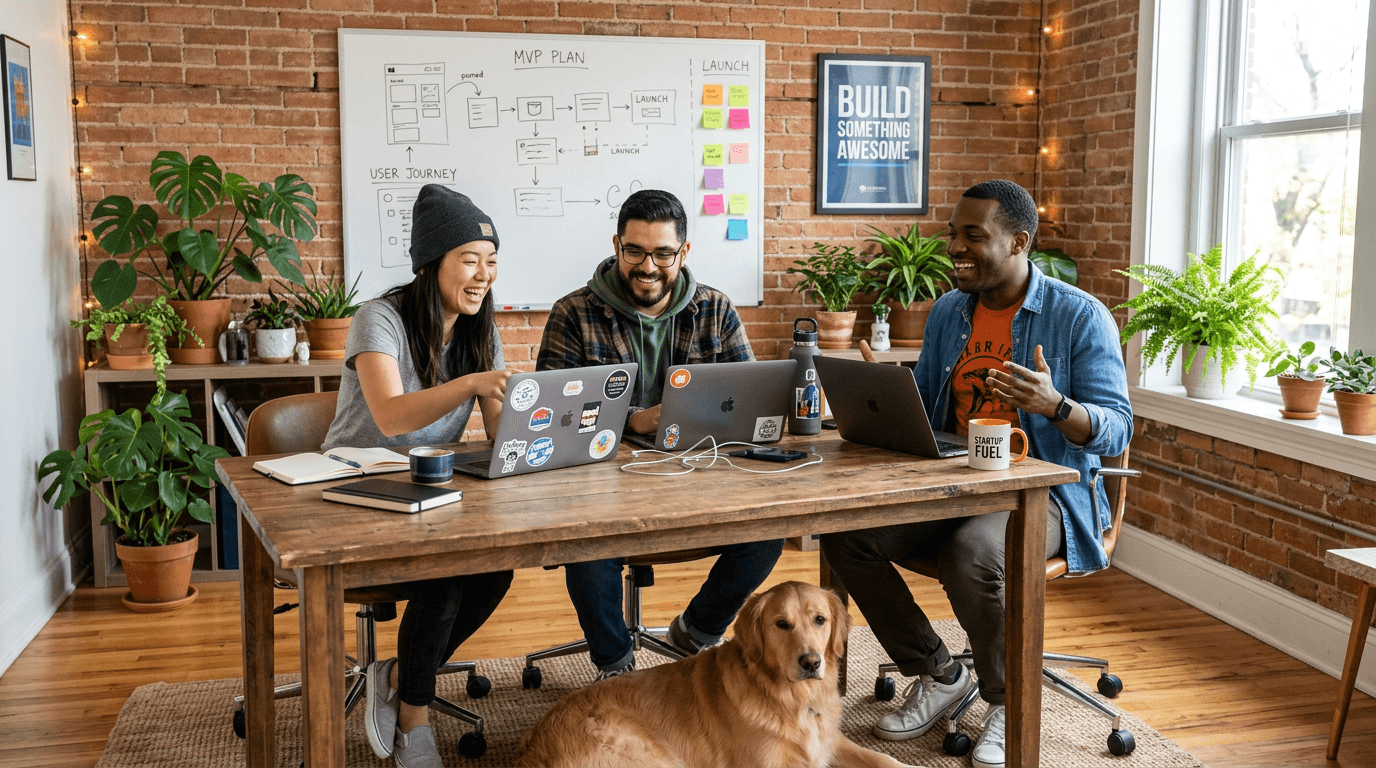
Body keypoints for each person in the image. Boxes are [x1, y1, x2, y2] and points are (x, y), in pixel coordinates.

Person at [819, 180, 1133, 768]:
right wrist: (883, 392)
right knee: (846, 535)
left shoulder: (1079, 317)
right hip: (955, 483)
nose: (955, 248)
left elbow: (1118, 429)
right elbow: (928, 408)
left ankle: (1009, 701)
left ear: (1018, 242)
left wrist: (1056, 406)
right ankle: (939, 672)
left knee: (971, 553)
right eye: (952, 234)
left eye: (972, 235)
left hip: (1046, 495)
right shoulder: (949, 310)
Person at [536, 188, 785, 679]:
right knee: (586, 545)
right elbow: (552, 416)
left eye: (663, 254)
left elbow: (750, 398)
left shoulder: (716, 309)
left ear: (683, 252)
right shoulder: (573, 312)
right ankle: (616, 666)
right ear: (616, 246)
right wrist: (632, 419)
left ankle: (698, 630)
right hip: (599, 483)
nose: (648, 267)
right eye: (634, 251)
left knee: (769, 529)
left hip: (697, 477)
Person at [322, 184, 514, 768]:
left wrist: (525, 419)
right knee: (445, 576)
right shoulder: (378, 318)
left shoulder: (479, 329)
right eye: (470, 260)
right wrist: (471, 383)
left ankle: (398, 676)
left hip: (429, 488)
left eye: (491, 261)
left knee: (496, 565)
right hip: (353, 485)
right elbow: (390, 416)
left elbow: (497, 428)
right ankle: (414, 718)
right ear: (431, 263)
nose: (483, 275)